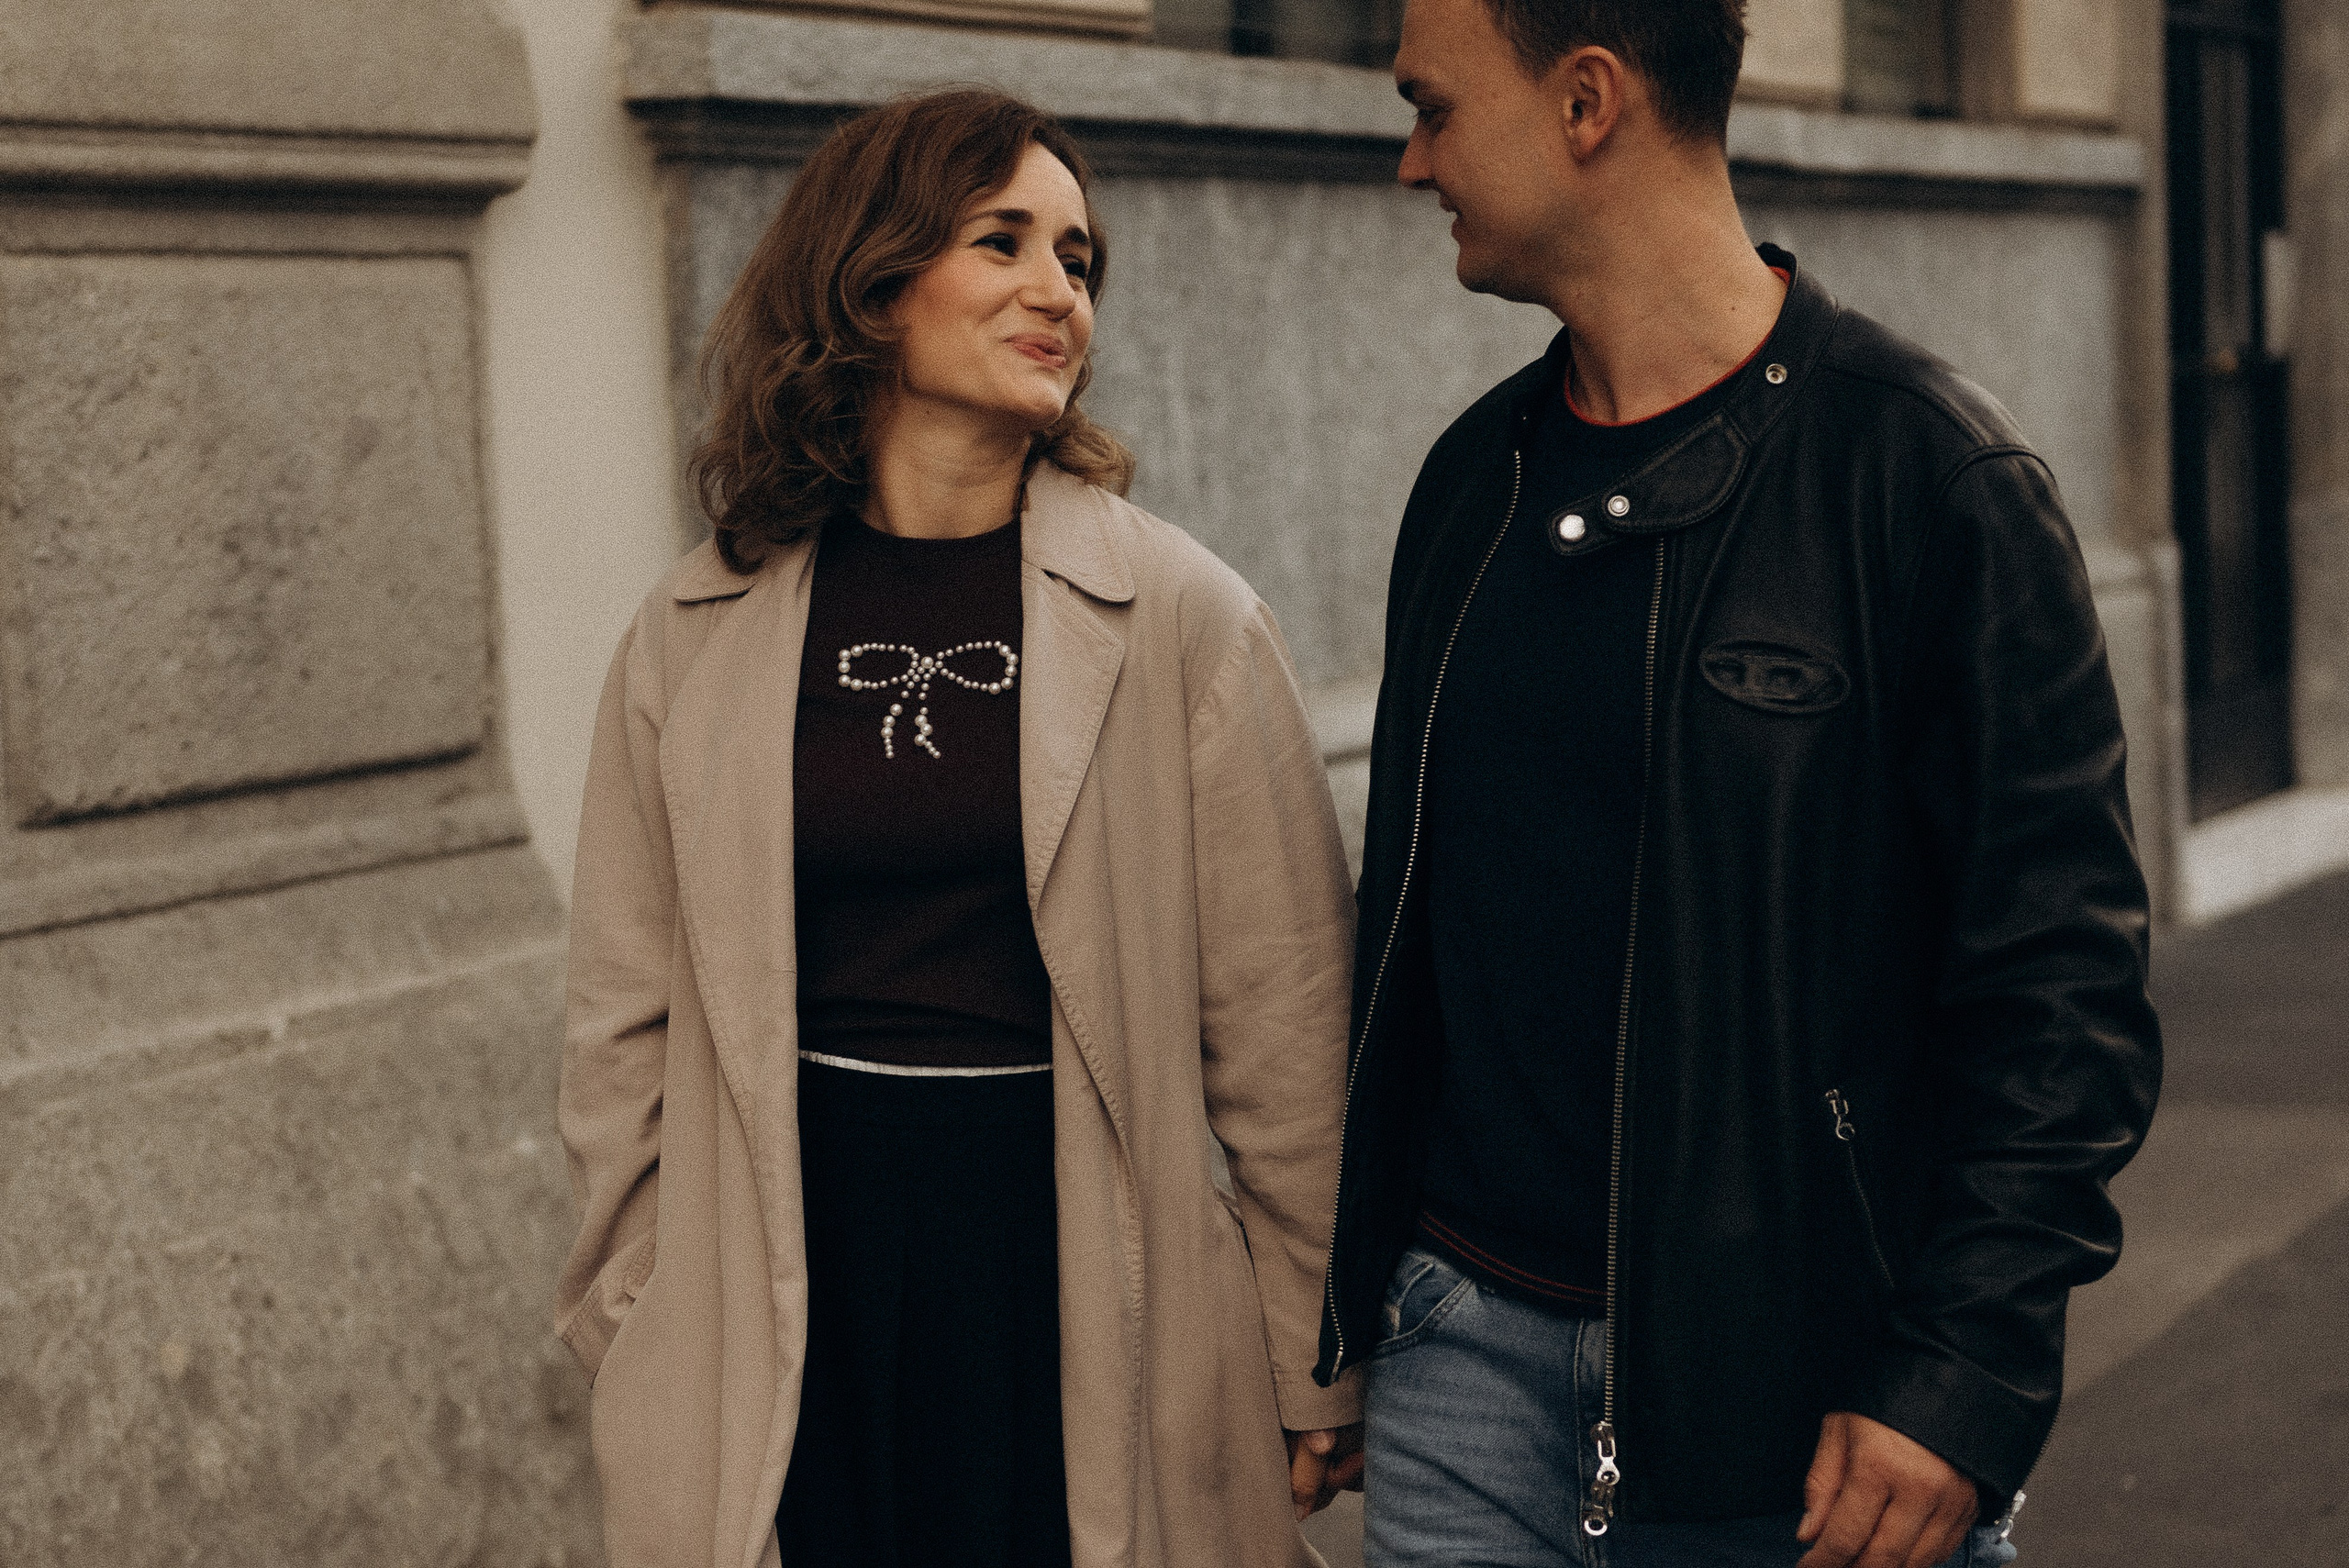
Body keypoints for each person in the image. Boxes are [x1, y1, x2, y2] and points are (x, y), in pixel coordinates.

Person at [1313, 3, 2162, 1566]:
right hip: (1460, 1366)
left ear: (1586, 102)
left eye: (1433, 107)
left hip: (1806, 1409)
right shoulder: (1470, 484)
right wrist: (1361, 1295)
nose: (1411, 159)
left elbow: (2066, 996)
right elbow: (1415, 943)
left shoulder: (1930, 484)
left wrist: (1961, 1377)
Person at [555, 90, 1362, 1568]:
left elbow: (1291, 1032)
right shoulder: (695, 629)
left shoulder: (1186, 618)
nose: (1060, 289)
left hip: (1068, 1246)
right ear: (872, 277)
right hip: (791, 1245)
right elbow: (623, 1010)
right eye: (1005, 242)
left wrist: (1311, 1350)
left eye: (1080, 258)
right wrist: (636, 1302)